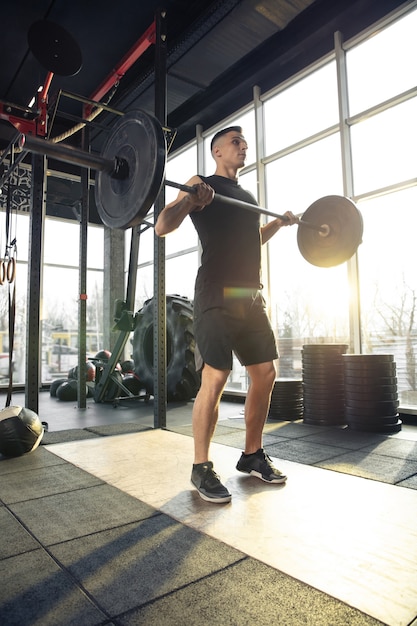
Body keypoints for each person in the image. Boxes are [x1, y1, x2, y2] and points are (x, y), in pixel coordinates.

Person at [155, 126, 298, 504]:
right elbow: (162, 226)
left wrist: (277, 225)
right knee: (216, 376)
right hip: (216, 293)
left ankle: (252, 454)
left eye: (245, 142)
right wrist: (191, 201)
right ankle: (201, 465)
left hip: (248, 295)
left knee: (265, 372)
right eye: (236, 142)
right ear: (217, 151)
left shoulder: (247, 197)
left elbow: (251, 239)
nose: (244, 146)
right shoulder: (200, 183)